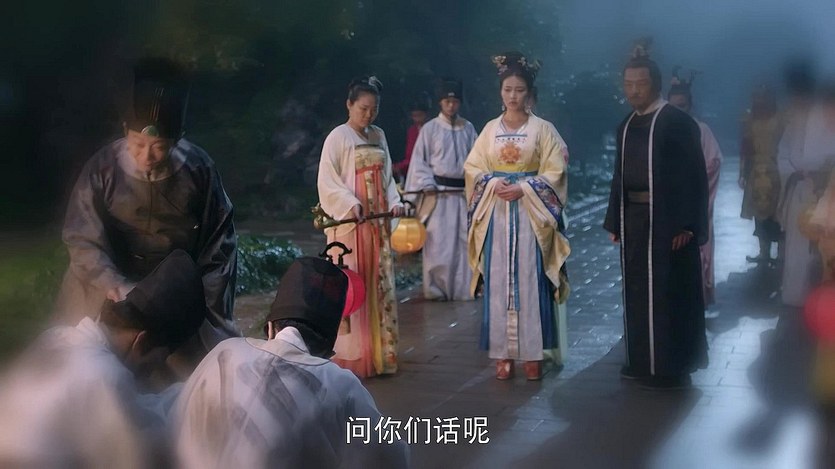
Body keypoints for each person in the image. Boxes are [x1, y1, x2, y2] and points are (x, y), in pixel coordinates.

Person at [56, 57, 239, 361]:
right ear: (125, 131)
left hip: (172, 284)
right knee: (88, 356)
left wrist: (200, 303)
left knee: (190, 365)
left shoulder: (199, 170)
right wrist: (113, 284)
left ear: (177, 139)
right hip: (109, 280)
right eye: (138, 144)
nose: (147, 156)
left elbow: (220, 245)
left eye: (159, 147)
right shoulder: (103, 169)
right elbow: (81, 237)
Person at [174, 257, 410, 469]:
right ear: (327, 350)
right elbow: (393, 456)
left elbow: (173, 415)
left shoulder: (224, 353)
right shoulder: (341, 387)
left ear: (270, 328)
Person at [0, 250, 207, 468]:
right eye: (159, 360)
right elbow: (132, 460)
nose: (151, 371)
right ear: (141, 341)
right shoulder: (105, 376)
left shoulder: (57, 336)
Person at [603, 39, 709, 389]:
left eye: (641, 83)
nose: (634, 90)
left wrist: (686, 225)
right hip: (635, 219)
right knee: (636, 290)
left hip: (668, 223)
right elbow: (619, 174)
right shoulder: (626, 125)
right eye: (628, 84)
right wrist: (616, 219)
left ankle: (670, 366)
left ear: (656, 84)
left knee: (668, 292)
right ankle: (641, 361)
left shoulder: (676, 122)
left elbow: (693, 176)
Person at [465, 52, 571, 381]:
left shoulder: (543, 130)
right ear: (501, 92)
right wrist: (493, 183)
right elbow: (473, 168)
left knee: (531, 279)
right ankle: (502, 352)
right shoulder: (489, 130)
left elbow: (556, 171)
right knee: (498, 281)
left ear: (530, 93)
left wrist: (525, 187)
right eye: (508, 89)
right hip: (497, 214)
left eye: (519, 90)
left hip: (531, 216)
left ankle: (533, 353)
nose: (513, 96)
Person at [317, 76, 404, 378]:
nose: (368, 115)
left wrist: (395, 201)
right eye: (363, 108)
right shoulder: (338, 137)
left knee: (377, 282)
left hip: (376, 223)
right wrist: (351, 203)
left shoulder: (378, 135)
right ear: (349, 105)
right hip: (351, 225)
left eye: (374, 109)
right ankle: (352, 355)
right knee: (353, 285)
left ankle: (380, 353)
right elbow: (328, 181)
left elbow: (388, 178)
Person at [404, 77, 478, 301]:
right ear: (440, 102)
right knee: (438, 244)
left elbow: (478, 161)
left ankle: (464, 290)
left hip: (462, 195)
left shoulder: (468, 129)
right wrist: (427, 184)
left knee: (464, 244)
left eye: (455, 102)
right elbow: (419, 162)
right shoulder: (430, 129)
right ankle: (436, 290)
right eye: (447, 102)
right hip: (438, 195)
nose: (451, 106)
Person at [777, 63, 835, 307]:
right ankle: (797, 297)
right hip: (802, 189)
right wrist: (797, 173)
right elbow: (784, 154)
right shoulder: (798, 119)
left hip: (830, 193)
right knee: (798, 250)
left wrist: (825, 173)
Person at [667, 67, 723, 306]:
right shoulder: (662, 129)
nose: (678, 111)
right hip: (668, 202)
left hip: (695, 200)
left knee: (699, 249)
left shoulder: (701, 130)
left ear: (690, 105)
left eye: (682, 106)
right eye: (673, 106)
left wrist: (692, 182)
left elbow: (714, 162)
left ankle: (697, 297)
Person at [739, 85, 783, 266]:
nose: (760, 101)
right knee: (759, 213)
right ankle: (764, 252)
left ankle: (781, 254)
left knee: (778, 213)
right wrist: (743, 172)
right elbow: (746, 148)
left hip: (777, 170)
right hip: (757, 171)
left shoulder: (781, 119)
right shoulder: (750, 120)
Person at [393, 96, 429, 181]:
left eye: (420, 115)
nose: (417, 119)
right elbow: (410, 156)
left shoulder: (433, 129)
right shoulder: (412, 131)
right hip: (414, 170)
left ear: (427, 114)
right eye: (414, 116)